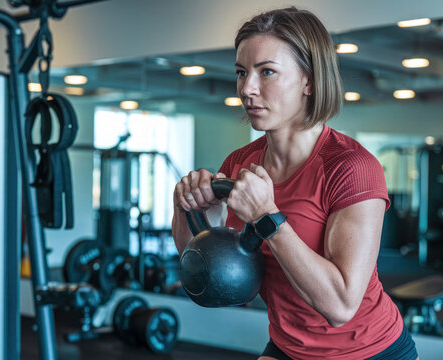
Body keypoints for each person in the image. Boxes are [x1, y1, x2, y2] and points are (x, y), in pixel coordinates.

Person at [172, 7, 418, 360]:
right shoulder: (241, 164)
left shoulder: (351, 168)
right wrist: (190, 209)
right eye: (242, 73)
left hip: (368, 350)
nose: (247, 88)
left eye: (267, 72)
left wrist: (268, 217)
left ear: (310, 81)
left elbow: (340, 306)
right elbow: (203, 271)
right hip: (290, 346)